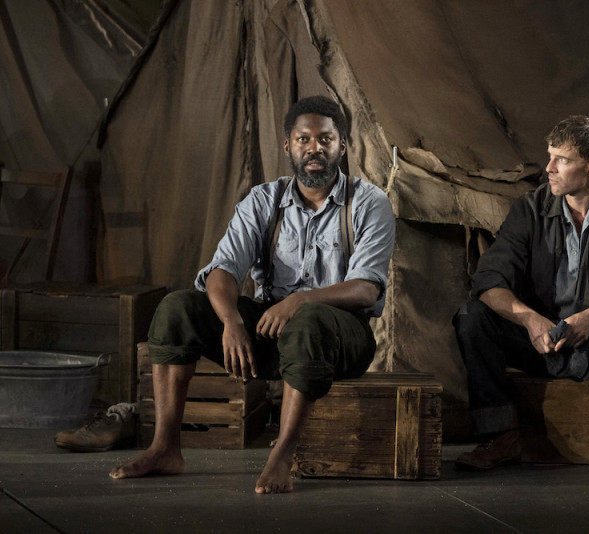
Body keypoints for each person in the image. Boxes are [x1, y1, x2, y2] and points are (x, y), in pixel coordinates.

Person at [109, 95, 395, 493]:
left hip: (341, 337)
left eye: (325, 140)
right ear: (288, 146)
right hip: (271, 332)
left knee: (308, 319)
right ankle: (165, 448)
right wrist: (231, 321)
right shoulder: (265, 200)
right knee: (178, 308)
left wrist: (300, 300)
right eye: (304, 139)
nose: (315, 149)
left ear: (342, 146)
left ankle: (282, 456)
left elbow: (366, 288)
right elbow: (223, 269)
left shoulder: (368, 203)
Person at [453, 115, 589, 478]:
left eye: (562, 159)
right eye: (550, 156)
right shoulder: (529, 209)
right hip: (543, 342)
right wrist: (528, 319)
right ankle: (500, 436)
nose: (549, 168)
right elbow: (489, 279)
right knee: (470, 316)